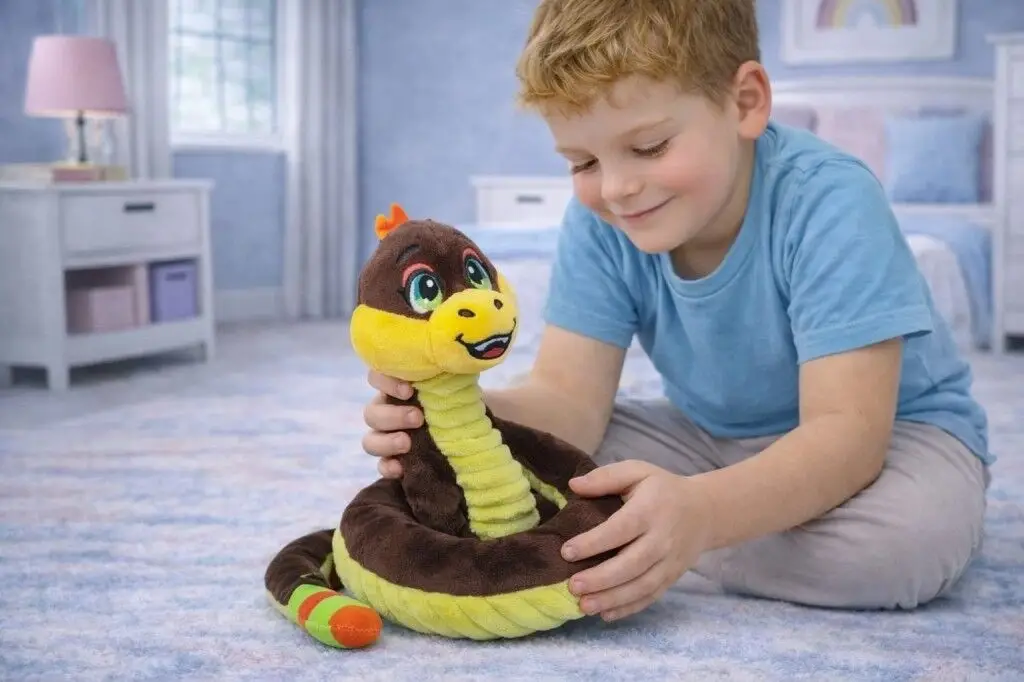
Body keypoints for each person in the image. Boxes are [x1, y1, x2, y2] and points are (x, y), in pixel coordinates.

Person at [360, 0, 991, 622]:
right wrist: (459, 412)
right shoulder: (599, 221)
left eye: (650, 146)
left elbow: (847, 436)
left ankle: (658, 535)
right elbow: (569, 402)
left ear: (745, 103)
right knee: (530, 459)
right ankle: (665, 528)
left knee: (901, 545)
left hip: (889, 436)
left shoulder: (829, 200)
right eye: (584, 162)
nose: (616, 189)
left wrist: (703, 515)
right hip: (706, 437)